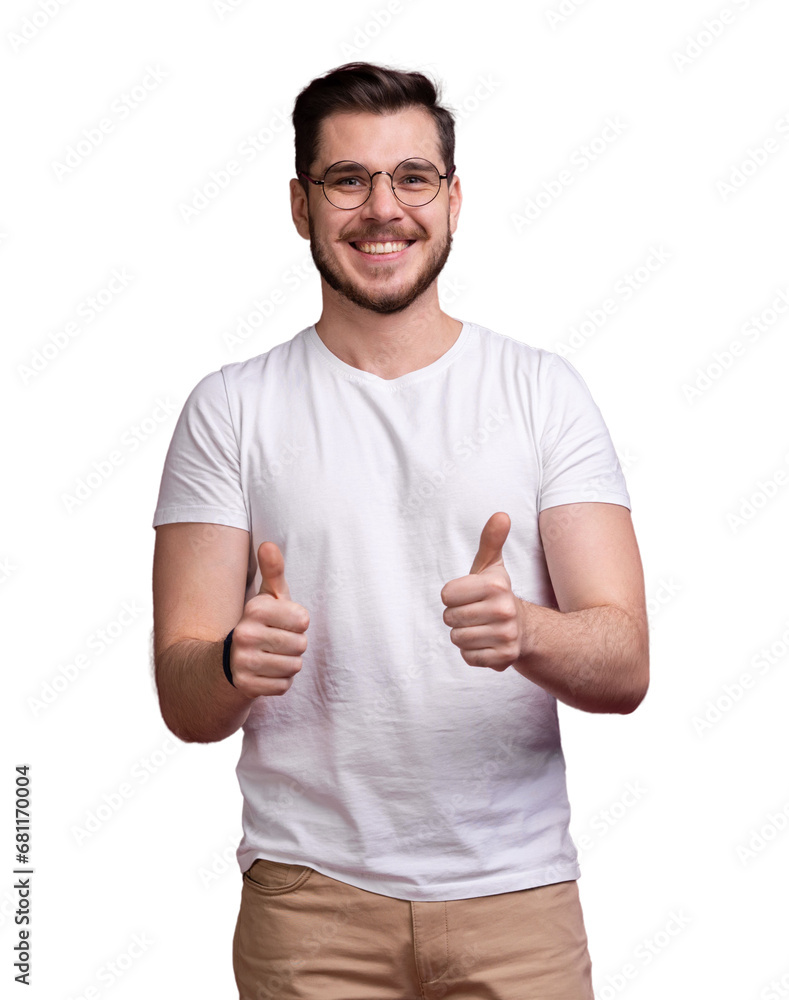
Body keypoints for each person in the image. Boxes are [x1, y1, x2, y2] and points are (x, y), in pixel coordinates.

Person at [151, 60, 649, 1000]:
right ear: (300, 205)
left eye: (411, 177)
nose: (384, 208)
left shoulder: (543, 394)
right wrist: (227, 661)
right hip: (308, 909)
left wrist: (529, 631)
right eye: (348, 180)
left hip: (518, 902)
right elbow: (184, 701)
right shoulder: (230, 409)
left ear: (453, 200)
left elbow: (624, 666)